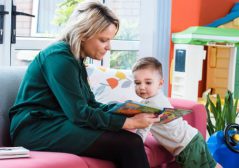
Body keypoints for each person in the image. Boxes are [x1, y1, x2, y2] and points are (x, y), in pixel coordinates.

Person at [9, 1, 159, 168]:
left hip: (57, 122)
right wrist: (130, 123)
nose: (109, 47)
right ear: (83, 33)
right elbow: (80, 114)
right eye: (103, 40)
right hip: (36, 130)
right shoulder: (59, 58)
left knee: (128, 140)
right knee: (130, 143)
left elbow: (89, 105)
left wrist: (123, 110)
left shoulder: (75, 59)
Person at [132, 57, 221, 168]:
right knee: (213, 165)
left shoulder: (150, 106)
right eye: (137, 83)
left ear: (160, 84)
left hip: (187, 146)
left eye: (148, 82)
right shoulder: (156, 98)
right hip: (194, 137)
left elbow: (142, 131)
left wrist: (132, 146)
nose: (142, 87)